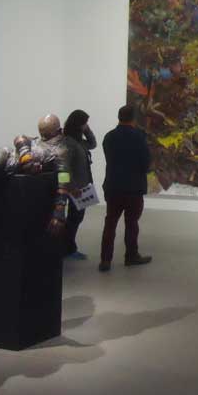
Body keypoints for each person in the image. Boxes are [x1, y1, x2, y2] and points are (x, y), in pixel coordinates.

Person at [99, 104, 152, 272]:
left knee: (110, 223)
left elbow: (109, 158)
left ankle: (105, 260)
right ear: (133, 118)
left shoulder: (109, 137)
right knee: (131, 224)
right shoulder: (139, 137)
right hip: (133, 188)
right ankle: (131, 256)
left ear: (119, 117)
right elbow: (146, 163)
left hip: (113, 186)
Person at [62, 109, 97, 260]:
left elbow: (93, 144)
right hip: (75, 188)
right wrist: (72, 187)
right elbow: (64, 168)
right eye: (84, 123)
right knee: (74, 219)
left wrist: (87, 130)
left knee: (76, 218)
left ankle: (67, 247)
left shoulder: (79, 141)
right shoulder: (69, 142)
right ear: (77, 124)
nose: (86, 126)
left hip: (81, 186)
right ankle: (67, 248)